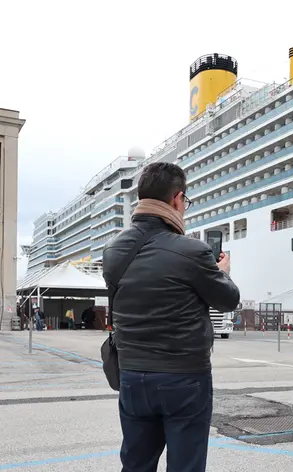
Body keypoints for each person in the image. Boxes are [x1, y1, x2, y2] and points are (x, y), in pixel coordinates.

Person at [104, 162, 240, 472]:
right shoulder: (193, 251)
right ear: (177, 199)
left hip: (132, 374)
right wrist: (222, 273)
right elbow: (228, 300)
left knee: (136, 464)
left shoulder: (113, 251)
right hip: (183, 376)